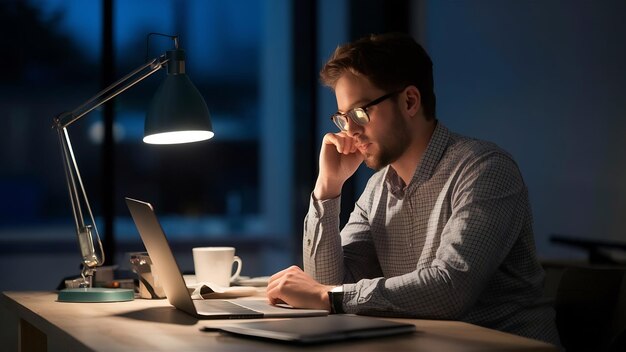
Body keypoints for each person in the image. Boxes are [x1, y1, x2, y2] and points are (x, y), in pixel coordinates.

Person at [266, 32, 561, 347]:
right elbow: (329, 284)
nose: (350, 131)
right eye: (343, 118)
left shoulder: (485, 169)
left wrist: (328, 296)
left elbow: (450, 288)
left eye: (360, 113)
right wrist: (328, 188)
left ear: (409, 101)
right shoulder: (378, 188)